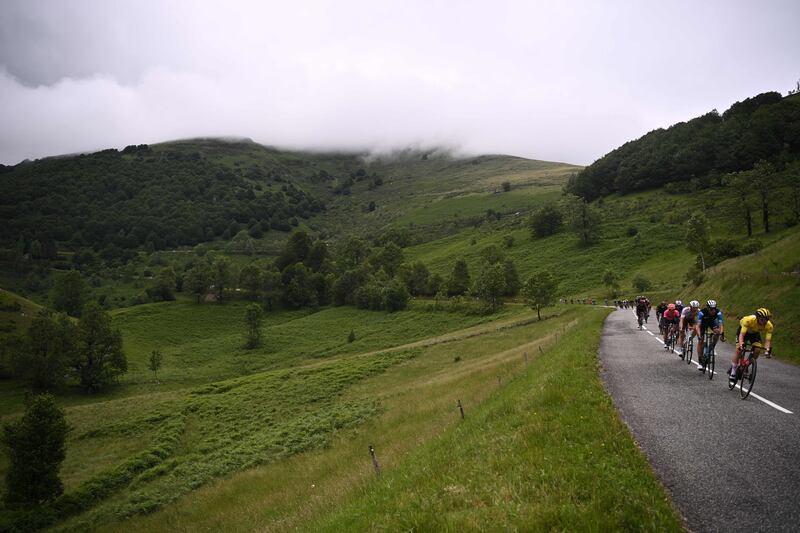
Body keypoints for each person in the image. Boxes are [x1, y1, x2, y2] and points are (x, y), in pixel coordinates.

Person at [728, 308, 773, 385]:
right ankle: (733, 371)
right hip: (743, 332)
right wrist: (741, 344)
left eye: (766, 319)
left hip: (754, 334)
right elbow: (742, 335)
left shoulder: (769, 326)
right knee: (739, 350)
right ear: (757, 318)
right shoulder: (748, 320)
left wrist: (767, 351)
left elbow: (767, 341)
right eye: (762, 319)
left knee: (758, 349)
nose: (765, 321)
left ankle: (746, 364)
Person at [697, 299, 724, 373]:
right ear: (708, 308)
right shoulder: (702, 313)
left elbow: (721, 324)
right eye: (711, 309)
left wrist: (721, 333)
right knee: (701, 341)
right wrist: (699, 335)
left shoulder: (718, 312)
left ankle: (712, 347)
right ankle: (700, 361)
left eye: (714, 308)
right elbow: (698, 326)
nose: (713, 310)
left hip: (712, 322)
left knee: (717, 332)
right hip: (703, 324)